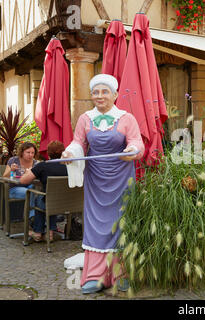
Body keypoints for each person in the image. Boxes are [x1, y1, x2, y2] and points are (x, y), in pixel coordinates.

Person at [61, 74, 144, 295]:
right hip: (95, 179)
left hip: (121, 179)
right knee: (96, 225)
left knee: (122, 222)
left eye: (104, 91)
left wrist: (132, 150)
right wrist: (70, 153)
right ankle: (95, 276)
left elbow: (137, 142)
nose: (99, 96)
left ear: (115, 94)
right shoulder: (85, 118)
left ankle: (122, 274)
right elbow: (78, 142)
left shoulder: (127, 118)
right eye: (95, 92)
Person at [19, 141, 68, 242]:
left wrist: (28, 172)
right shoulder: (69, 166)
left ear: (48, 153)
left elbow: (23, 181)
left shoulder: (43, 166)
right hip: (66, 203)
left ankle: (37, 232)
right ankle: (49, 232)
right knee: (51, 198)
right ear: (62, 153)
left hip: (48, 201)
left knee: (41, 199)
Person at [3, 142, 38, 217]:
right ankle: (32, 217)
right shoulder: (13, 160)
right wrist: (11, 170)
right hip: (13, 189)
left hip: (29, 187)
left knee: (36, 190)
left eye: (33, 153)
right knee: (31, 192)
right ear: (22, 152)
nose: (30, 155)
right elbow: (4, 177)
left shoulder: (35, 163)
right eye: (28, 152)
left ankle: (38, 219)